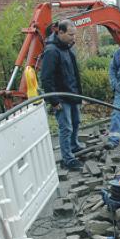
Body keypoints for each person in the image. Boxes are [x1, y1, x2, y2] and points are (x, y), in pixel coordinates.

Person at [40, 19, 85, 171]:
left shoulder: (67, 48)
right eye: (71, 35)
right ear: (60, 32)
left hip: (72, 95)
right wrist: (54, 100)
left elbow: (75, 74)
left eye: (74, 34)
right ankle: (68, 158)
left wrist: (80, 96)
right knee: (66, 128)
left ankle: (74, 146)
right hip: (61, 98)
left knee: (76, 122)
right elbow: (46, 78)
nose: (74, 38)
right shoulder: (52, 51)